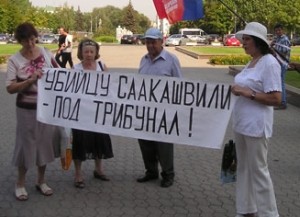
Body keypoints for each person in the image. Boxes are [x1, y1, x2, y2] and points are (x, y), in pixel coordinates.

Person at [231, 22, 282, 217]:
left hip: (257, 127)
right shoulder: (252, 62)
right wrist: (236, 91)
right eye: (243, 39)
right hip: (241, 125)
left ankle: (269, 213)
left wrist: (247, 93)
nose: (243, 43)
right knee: (243, 169)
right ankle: (246, 210)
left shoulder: (269, 63)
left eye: (247, 39)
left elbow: (275, 99)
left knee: (259, 171)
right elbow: (245, 88)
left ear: (258, 41)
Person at [5, 22, 60, 201]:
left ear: (35, 36)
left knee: (44, 144)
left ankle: (41, 181)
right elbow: (10, 88)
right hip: (26, 110)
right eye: (24, 41)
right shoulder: (14, 60)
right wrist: (30, 80)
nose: (30, 44)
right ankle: (20, 183)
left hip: (46, 110)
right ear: (19, 41)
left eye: (31, 39)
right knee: (25, 145)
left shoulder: (45, 53)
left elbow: (61, 74)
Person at [136, 28, 182, 188]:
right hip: (144, 111)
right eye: (147, 42)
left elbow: (179, 85)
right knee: (145, 143)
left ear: (161, 41)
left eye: (153, 42)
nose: (150, 45)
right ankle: (151, 171)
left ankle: (168, 174)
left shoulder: (171, 60)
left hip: (164, 112)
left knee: (164, 146)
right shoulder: (143, 59)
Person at [72, 39, 113, 188]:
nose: (88, 54)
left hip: (98, 113)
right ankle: (78, 174)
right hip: (81, 114)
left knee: (99, 141)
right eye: (86, 52)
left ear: (96, 53)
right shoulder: (76, 69)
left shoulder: (102, 67)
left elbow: (110, 87)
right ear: (81, 53)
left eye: (91, 52)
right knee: (80, 142)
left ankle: (98, 169)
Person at [271, 23, 291, 110]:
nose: (278, 32)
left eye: (279, 30)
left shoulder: (285, 39)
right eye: (276, 31)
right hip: (277, 63)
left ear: (283, 30)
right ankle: (279, 101)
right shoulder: (277, 39)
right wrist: (272, 44)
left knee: (281, 83)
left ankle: (283, 102)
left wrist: (274, 50)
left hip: (282, 63)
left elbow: (284, 52)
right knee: (278, 82)